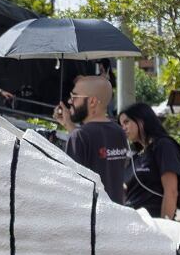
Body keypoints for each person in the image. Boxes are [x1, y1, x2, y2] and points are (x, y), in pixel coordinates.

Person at [52, 74, 130, 204]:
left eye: (74, 97)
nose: (70, 101)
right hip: (116, 214)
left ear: (92, 101)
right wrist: (68, 125)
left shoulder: (79, 136)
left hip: (90, 216)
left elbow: (72, 184)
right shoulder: (119, 132)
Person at [119, 102, 180, 220]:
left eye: (126, 122)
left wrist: (164, 227)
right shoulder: (137, 155)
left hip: (154, 224)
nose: (123, 128)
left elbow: (171, 191)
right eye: (121, 124)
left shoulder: (163, 145)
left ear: (141, 120)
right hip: (133, 222)